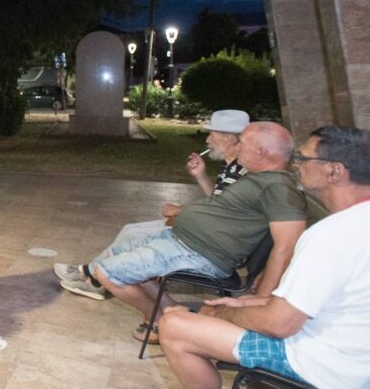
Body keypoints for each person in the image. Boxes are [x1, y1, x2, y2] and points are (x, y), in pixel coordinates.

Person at [160, 126, 370, 389]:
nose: (295, 164)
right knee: (232, 308)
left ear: (334, 171)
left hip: (322, 366)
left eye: (303, 159)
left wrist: (220, 313)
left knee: (173, 325)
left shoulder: (329, 236)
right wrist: (254, 303)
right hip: (356, 360)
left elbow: (279, 324)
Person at [57, 122, 308, 337]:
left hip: (201, 253)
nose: (238, 146)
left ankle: (158, 320)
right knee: (117, 252)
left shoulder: (279, 188)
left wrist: (261, 301)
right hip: (184, 241)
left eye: (242, 142)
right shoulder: (259, 177)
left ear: (262, 152)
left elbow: (286, 247)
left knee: (108, 273)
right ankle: (173, 313)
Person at [53, 109, 250, 285]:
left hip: (207, 244)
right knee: (130, 230)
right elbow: (218, 201)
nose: (207, 139)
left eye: (212, 133)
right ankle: (94, 275)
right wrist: (201, 175)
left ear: (228, 138)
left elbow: (222, 212)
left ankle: (93, 276)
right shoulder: (231, 166)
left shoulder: (241, 172)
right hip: (205, 235)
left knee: (135, 237)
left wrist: (181, 210)